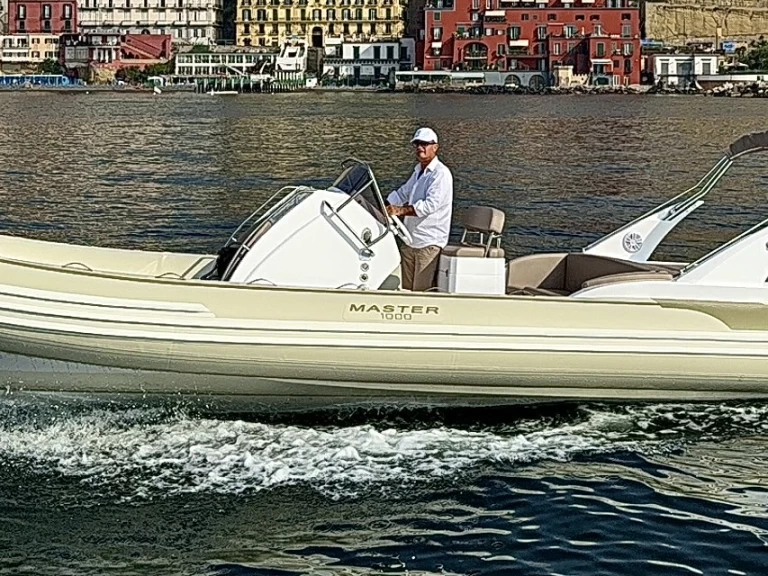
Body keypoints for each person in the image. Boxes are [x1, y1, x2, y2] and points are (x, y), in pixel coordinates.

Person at [386, 127, 454, 292]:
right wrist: (383, 205)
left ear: (435, 147)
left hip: (428, 242)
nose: (420, 148)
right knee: (406, 290)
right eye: (417, 144)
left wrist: (400, 211)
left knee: (420, 291)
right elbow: (403, 193)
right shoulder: (418, 171)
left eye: (424, 144)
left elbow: (430, 205)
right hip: (410, 240)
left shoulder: (441, 174)